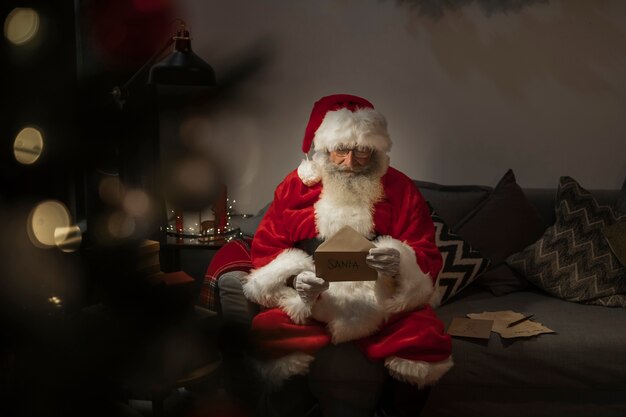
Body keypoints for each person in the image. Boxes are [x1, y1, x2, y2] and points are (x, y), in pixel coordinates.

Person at [241, 94, 452, 416]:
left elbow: (424, 249)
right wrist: (297, 282)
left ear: (376, 149)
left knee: (424, 339)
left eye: (361, 151)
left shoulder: (401, 188)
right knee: (269, 334)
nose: (350, 163)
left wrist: (400, 264)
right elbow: (267, 248)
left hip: (380, 298)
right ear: (323, 149)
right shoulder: (292, 189)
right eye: (341, 150)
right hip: (313, 300)